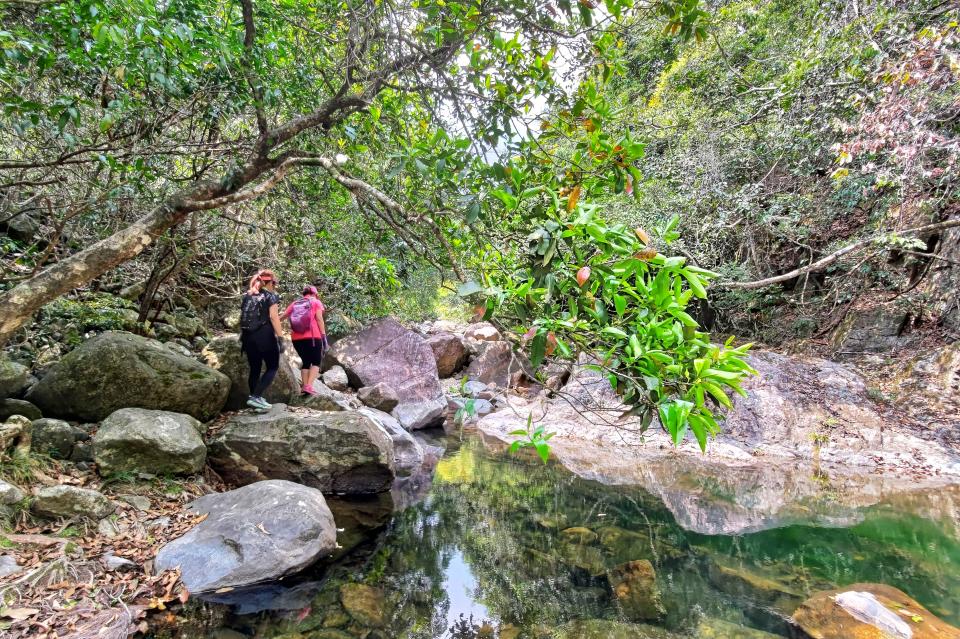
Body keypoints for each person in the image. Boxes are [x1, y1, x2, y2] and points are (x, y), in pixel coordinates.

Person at [239, 269, 284, 409]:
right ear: (269, 282)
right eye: (274, 283)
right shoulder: (270, 296)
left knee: (255, 369)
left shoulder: (247, 295)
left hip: (247, 337)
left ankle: (254, 400)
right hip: (264, 336)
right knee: (272, 366)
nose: (275, 286)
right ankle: (256, 396)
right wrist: (281, 337)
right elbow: (273, 317)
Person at [283, 285, 327, 395]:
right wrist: (323, 336)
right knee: (316, 362)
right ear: (314, 294)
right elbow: (319, 319)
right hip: (313, 337)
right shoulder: (316, 302)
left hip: (296, 338)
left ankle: (305, 387)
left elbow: (283, 316)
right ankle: (309, 386)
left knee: (306, 362)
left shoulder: (296, 303)